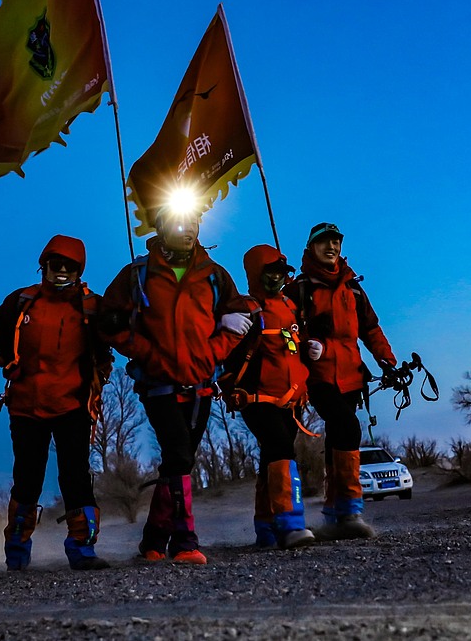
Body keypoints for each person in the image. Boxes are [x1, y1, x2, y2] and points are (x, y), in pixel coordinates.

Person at [99, 206, 247, 564]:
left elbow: (238, 316)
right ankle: (184, 542)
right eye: (180, 224)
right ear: (163, 226)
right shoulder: (137, 274)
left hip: (201, 384)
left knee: (177, 463)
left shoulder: (214, 275)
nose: (188, 230)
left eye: (195, 223)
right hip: (157, 384)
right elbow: (109, 321)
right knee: (179, 454)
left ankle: (151, 543)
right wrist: (145, 352)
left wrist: (214, 352)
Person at [0, 235, 114, 571]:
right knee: (27, 477)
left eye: (69, 265)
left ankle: (82, 549)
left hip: (73, 404)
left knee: (75, 476)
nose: (60, 269)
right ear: (43, 264)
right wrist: (8, 361)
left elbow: (111, 338)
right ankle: (16, 547)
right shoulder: (22, 301)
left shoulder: (91, 307)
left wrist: (103, 369)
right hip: (26, 403)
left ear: (79, 269)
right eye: (54, 263)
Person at [288, 223, 398, 540]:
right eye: (324, 242)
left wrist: (387, 360)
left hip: (351, 376)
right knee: (349, 428)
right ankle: (351, 511)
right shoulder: (298, 289)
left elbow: (371, 328)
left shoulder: (353, 288)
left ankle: (334, 514)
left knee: (338, 438)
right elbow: (283, 332)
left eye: (336, 241)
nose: (332, 247)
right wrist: (305, 342)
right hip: (318, 377)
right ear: (311, 248)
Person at [220, 244, 316, 550]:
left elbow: (291, 348)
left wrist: (309, 349)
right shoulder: (243, 308)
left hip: (290, 402)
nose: (276, 278)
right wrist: (224, 327)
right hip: (256, 399)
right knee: (280, 448)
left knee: (270, 458)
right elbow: (221, 348)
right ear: (255, 274)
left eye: (280, 272)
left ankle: (266, 528)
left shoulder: (289, 306)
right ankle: (291, 524)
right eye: (270, 272)